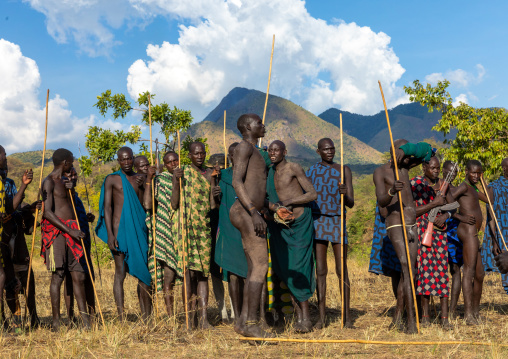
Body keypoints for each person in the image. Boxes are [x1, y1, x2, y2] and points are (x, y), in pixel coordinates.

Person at [373, 140, 434, 333]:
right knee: (406, 265)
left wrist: (406, 150)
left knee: (411, 271)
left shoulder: (406, 166)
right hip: (394, 221)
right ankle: (411, 321)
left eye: (406, 154)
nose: (407, 158)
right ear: (392, 154)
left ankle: (398, 315)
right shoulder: (381, 172)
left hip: (411, 222)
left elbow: (428, 151)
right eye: (401, 154)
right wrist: (392, 191)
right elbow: (381, 200)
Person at [230, 113, 280, 338]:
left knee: (253, 268)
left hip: (253, 211)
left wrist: (273, 208)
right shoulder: (244, 147)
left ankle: (242, 323)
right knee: (261, 266)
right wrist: (253, 212)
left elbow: (256, 188)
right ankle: (252, 323)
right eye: (259, 123)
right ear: (248, 127)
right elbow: (236, 181)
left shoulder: (256, 152)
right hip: (246, 212)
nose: (263, 125)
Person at [95, 147, 152, 321]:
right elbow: (107, 207)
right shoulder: (112, 179)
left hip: (140, 230)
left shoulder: (139, 178)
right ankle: (121, 316)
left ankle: (146, 316)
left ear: (133, 159)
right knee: (120, 273)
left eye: (129, 159)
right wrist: (111, 235)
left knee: (144, 273)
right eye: (123, 159)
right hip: (120, 231)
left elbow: (145, 204)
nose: (126, 162)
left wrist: (145, 185)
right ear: (118, 160)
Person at [266, 140, 317, 333]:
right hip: (280, 227)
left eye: (276, 150)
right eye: (270, 150)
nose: (273, 153)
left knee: (299, 266)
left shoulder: (293, 167)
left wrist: (288, 201)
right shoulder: (268, 172)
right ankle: (299, 317)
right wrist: (276, 208)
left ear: (284, 152)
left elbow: (312, 194)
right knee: (285, 268)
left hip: (300, 224)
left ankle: (306, 318)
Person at [306, 138, 354, 329]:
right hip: (318, 222)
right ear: (318, 151)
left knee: (342, 270)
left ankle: (347, 316)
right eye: (326, 149)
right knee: (321, 272)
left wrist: (345, 193)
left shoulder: (344, 170)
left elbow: (351, 203)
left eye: (332, 148)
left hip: (338, 221)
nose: (330, 151)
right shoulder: (311, 171)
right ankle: (322, 317)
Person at [40, 148, 90, 331]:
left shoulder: (67, 181)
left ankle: (86, 322)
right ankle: (55, 322)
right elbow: (47, 212)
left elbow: (69, 205)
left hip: (73, 231)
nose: (72, 163)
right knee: (58, 276)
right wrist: (69, 230)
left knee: (79, 275)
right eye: (71, 161)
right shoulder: (49, 182)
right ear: (65, 163)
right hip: (57, 233)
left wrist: (72, 190)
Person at [171, 141, 217, 329]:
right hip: (185, 229)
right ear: (189, 155)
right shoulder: (182, 173)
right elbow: (174, 204)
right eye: (195, 153)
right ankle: (190, 320)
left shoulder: (209, 174)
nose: (199, 156)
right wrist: (175, 180)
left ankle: (204, 319)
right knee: (187, 274)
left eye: (202, 153)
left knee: (203, 274)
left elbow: (212, 206)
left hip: (202, 229)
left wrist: (216, 192)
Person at [410, 157, 452, 329]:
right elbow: (412, 211)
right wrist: (433, 205)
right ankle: (425, 317)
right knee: (425, 273)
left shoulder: (443, 184)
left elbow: (453, 206)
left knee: (442, 273)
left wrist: (445, 216)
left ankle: (444, 318)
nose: (436, 171)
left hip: (440, 234)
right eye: (433, 168)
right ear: (424, 166)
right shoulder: (415, 184)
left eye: (438, 168)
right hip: (422, 232)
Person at [0, 162, 40, 328]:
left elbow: (15, 207)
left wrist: (32, 210)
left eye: (6, 168)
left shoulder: (10, 185)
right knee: (9, 285)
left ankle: (33, 318)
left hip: (17, 246)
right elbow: (9, 207)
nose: (5, 170)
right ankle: (10, 323)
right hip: (3, 245)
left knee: (26, 281)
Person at [143, 151, 183, 317]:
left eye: (175, 161)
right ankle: (170, 314)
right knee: (169, 273)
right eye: (169, 162)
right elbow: (148, 204)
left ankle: (189, 313)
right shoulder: (160, 180)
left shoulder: (186, 176)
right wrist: (150, 179)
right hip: (165, 228)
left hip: (182, 228)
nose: (173, 164)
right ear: (165, 165)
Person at [449, 160, 486, 325]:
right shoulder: (463, 187)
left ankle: (475, 312)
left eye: (479, 173)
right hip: (467, 230)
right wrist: (459, 216)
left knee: (480, 274)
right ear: (466, 171)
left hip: (475, 233)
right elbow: (446, 200)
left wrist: (483, 181)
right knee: (469, 271)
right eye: (473, 173)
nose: (476, 176)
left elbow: (490, 200)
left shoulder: (473, 188)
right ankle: (468, 315)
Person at [214, 143, 246, 323]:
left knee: (247, 273)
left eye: (239, 153)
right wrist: (215, 192)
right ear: (230, 157)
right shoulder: (223, 176)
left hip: (246, 229)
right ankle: (237, 315)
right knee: (233, 273)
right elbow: (217, 205)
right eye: (233, 154)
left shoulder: (250, 175)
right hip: (228, 227)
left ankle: (247, 311)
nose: (236, 157)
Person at [63, 167, 96, 322]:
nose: (74, 177)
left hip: (84, 242)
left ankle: (92, 314)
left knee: (88, 277)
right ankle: (73, 317)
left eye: (75, 174)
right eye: (70, 175)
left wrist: (87, 217)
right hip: (71, 243)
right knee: (75, 278)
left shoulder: (77, 197)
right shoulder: (62, 195)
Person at [440, 161, 465, 317]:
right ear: (443, 171)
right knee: (438, 270)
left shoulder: (456, 190)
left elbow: (456, 208)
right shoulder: (435, 187)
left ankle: (452, 310)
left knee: (455, 269)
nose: (451, 175)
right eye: (449, 172)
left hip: (454, 233)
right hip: (436, 231)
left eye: (454, 173)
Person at [481, 157, 508, 295]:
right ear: (504, 168)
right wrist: (494, 240)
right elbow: (490, 212)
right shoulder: (494, 187)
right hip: (502, 232)